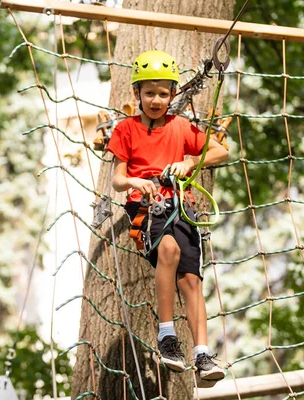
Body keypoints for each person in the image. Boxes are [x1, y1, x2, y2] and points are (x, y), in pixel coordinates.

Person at [107, 50, 229, 387]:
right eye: (149, 93)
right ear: (137, 94)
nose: (156, 100)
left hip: (181, 203)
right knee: (170, 251)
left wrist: (190, 162)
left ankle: (202, 353)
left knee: (191, 279)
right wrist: (135, 180)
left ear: (173, 94)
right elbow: (117, 179)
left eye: (163, 93)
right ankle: (167, 335)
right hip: (147, 206)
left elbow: (221, 151)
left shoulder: (181, 127)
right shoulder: (127, 129)